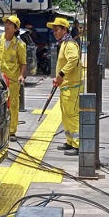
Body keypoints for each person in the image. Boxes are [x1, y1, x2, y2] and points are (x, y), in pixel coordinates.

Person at [46, 17, 82, 156]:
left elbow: (73, 60)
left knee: (72, 115)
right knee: (66, 115)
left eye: (56, 30)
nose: (54, 32)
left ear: (64, 30)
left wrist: (61, 74)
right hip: (66, 86)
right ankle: (70, 141)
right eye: (53, 30)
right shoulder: (63, 44)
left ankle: (78, 145)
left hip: (72, 86)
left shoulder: (70, 44)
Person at [0, 15, 27, 142]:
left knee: (13, 105)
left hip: (12, 80)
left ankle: (12, 131)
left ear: (16, 29)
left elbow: (23, 62)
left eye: (10, 24)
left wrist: (21, 75)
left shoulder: (20, 45)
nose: (6, 25)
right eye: (6, 23)